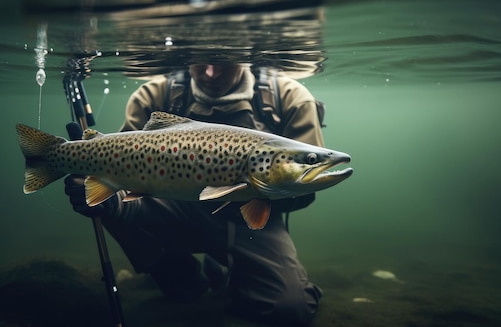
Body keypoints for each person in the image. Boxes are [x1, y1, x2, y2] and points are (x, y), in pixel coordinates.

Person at [64, 62, 325, 326]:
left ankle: (232, 270)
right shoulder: (154, 95)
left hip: (249, 222)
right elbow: (120, 171)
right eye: (201, 63)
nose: (211, 72)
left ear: (245, 55)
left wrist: (255, 190)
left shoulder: (290, 98)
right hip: (171, 207)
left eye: (224, 63)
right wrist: (105, 198)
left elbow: (304, 189)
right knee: (114, 208)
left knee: (291, 311)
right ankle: (179, 274)